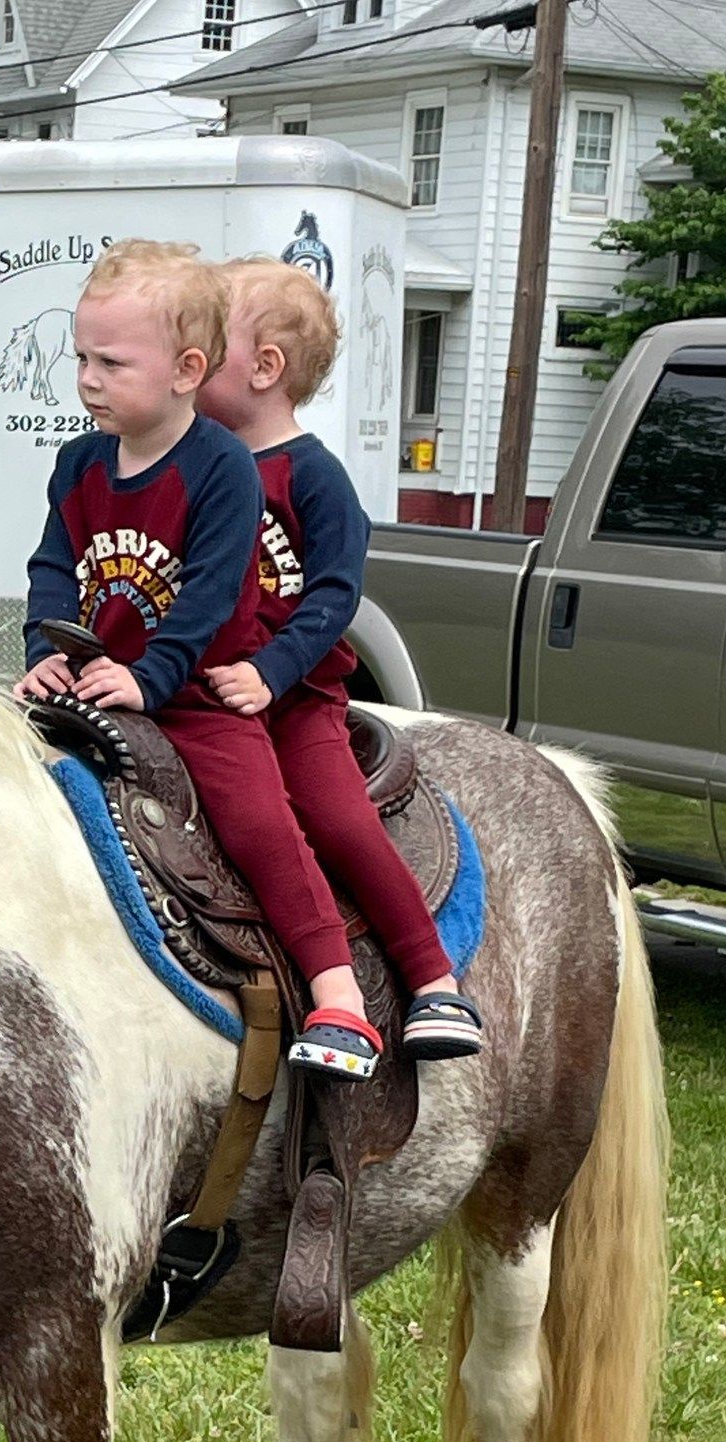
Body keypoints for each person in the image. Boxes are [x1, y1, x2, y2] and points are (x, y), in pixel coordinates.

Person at [16, 239, 382, 1079]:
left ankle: (339, 995)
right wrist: (47, 649)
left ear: (186, 369)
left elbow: (215, 591)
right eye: (81, 356)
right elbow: (52, 564)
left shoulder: (221, 468)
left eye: (111, 361)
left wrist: (152, 677)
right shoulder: (79, 461)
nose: (87, 378)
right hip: (96, 683)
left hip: (191, 698)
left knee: (260, 826)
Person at [196, 258, 482, 1061]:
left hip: (294, 703)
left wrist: (272, 672)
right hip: (205, 699)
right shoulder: (194, 468)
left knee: (337, 819)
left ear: (264, 367)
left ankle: (434, 982)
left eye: (207, 341)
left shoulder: (312, 477)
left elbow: (331, 598)